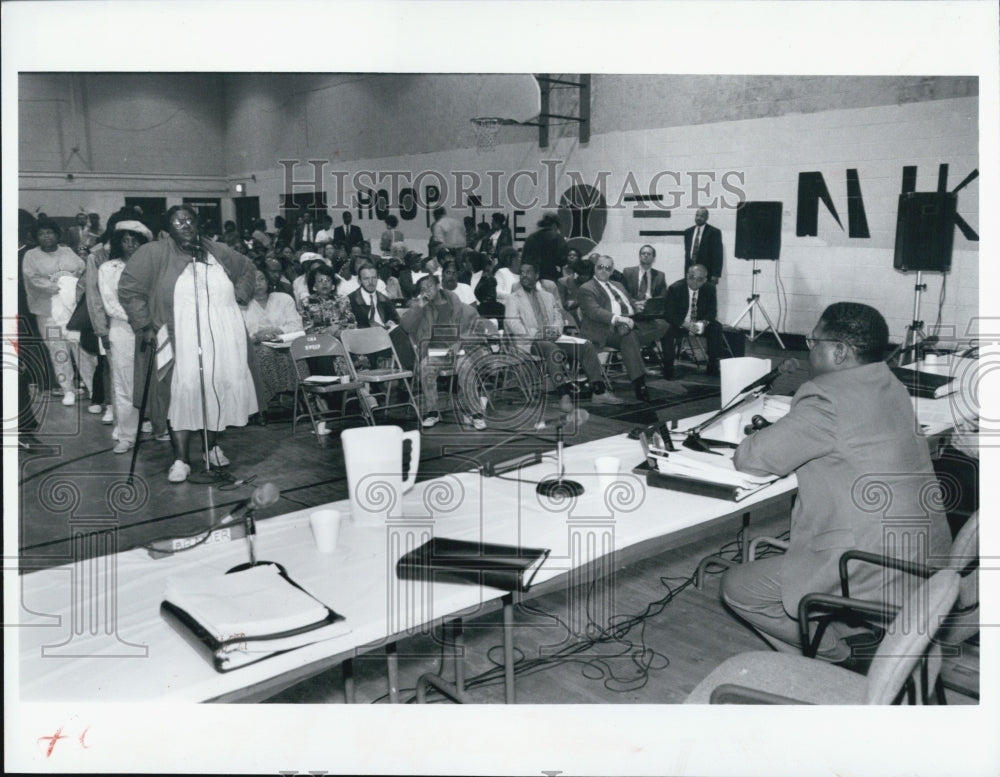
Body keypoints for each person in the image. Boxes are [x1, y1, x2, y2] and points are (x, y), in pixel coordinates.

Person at [722, 302, 951, 661]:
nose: (810, 348)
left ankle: (838, 659)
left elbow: (752, 460)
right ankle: (854, 635)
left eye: (815, 341)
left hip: (868, 562)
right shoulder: (889, 382)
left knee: (738, 588)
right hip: (923, 552)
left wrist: (777, 432)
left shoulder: (824, 396)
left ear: (840, 351)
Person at [117, 204, 259, 483]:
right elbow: (129, 289)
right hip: (176, 336)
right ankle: (180, 459)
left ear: (198, 224)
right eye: (178, 222)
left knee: (215, 388)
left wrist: (239, 295)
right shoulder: (153, 253)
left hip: (221, 336)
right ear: (168, 228)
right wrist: (144, 324)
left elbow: (248, 268)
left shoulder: (216, 251)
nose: (186, 226)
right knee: (181, 394)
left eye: (190, 220)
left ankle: (211, 447)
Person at [505, 259, 623, 405]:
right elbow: (513, 323)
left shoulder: (548, 296)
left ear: (537, 275)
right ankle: (564, 395)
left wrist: (554, 331)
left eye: (528, 272)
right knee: (552, 349)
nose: (524, 276)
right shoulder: (513, 299)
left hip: (553, 337)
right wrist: (538, 333)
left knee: (586, 345)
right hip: (529, 341)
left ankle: (599, 392)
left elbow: (559, 317)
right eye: (522, 273)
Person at [575, 255, 673, 402]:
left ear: (612, 270)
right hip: (604, 328)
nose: (603, 270)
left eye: (607, 268)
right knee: (628, 336)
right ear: (595, 268)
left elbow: (627, 300)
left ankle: (649, 359)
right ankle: (639, 383)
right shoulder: (586, 288)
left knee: (664, 324)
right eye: (600, 267)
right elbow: (595, 311)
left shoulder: (618, 285)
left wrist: (637, 306)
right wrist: (619, 319)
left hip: (630, 322)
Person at [400, 273, 488, 430]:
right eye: (423, 289)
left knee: (465, 366)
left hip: (461, 353)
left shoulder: (462, 308)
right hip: (435, 354)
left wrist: (460, 343)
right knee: (426, 366)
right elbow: (406, 326)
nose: (427, 291)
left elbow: (479, 332)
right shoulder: (421, 308)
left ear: (438, 285)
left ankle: (476, 413)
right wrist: (419, 306)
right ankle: (432, 412)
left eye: (430, 286)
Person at [97, 220, 153, 453]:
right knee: (125, 382)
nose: (130, 245)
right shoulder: (108, 269)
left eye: (135, 241)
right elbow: (110, 303)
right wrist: (139, 320)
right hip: (124, 330)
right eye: (125, 241)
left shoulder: (153, 267)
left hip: (153, 330)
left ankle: (157, 425)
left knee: (155, 379)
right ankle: (126, 434)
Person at [21, 220, 90, 406]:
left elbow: (82, 269)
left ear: (57, 235)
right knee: (58, 350)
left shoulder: (67, 251)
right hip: (47, 311)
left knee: (79, 347)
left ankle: (92, 388)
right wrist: (60, 287)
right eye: (42, 233)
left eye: (50, 233)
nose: (47, 237)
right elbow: (33, 279)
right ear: (36, 237)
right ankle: (67, 389)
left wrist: (74, 287)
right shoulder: (30, 256)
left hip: (71, 309)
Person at [241, 268, 303, 418]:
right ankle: (272, 397)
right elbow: (239, 333)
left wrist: (276, 330)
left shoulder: (283, 299)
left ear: (268, 281)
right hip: (255, 345)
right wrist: (256, 337)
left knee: (291, 353)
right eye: (253, 280)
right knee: (265, 353)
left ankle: (294, 395)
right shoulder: (242, 305)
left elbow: (297, 325)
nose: (258, 283)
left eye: (261, 278)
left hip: (283, 341)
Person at [663, 263, 725, 378]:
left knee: (716, 327)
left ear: (705, 280)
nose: (695, 282)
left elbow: (712, 312)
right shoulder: (675, 288)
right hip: (680, 324)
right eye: (692, 277)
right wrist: (685, 324)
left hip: (699, 323)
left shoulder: (710, 289)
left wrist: (704, 322)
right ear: (687, 276)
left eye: (700, 279)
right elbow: (669, 314)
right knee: (666, 331)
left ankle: (712, 364)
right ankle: (668, 367)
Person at [521, 212, 568, 282]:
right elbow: (563, 260)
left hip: (534, 275)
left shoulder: (532, 237)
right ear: (555, 225)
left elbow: (525, 258)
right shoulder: (558, 238)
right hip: (551, 275)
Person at [684, 208, 724, 283]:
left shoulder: (714, 232)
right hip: (691, 271)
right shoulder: (688, 232)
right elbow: (687, 254)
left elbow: (718, 255)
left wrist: (715, 274)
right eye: (697, 215)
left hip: (707, 272)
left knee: (706, 294)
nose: (698, 218)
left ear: (706, 218)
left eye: (701, 216)